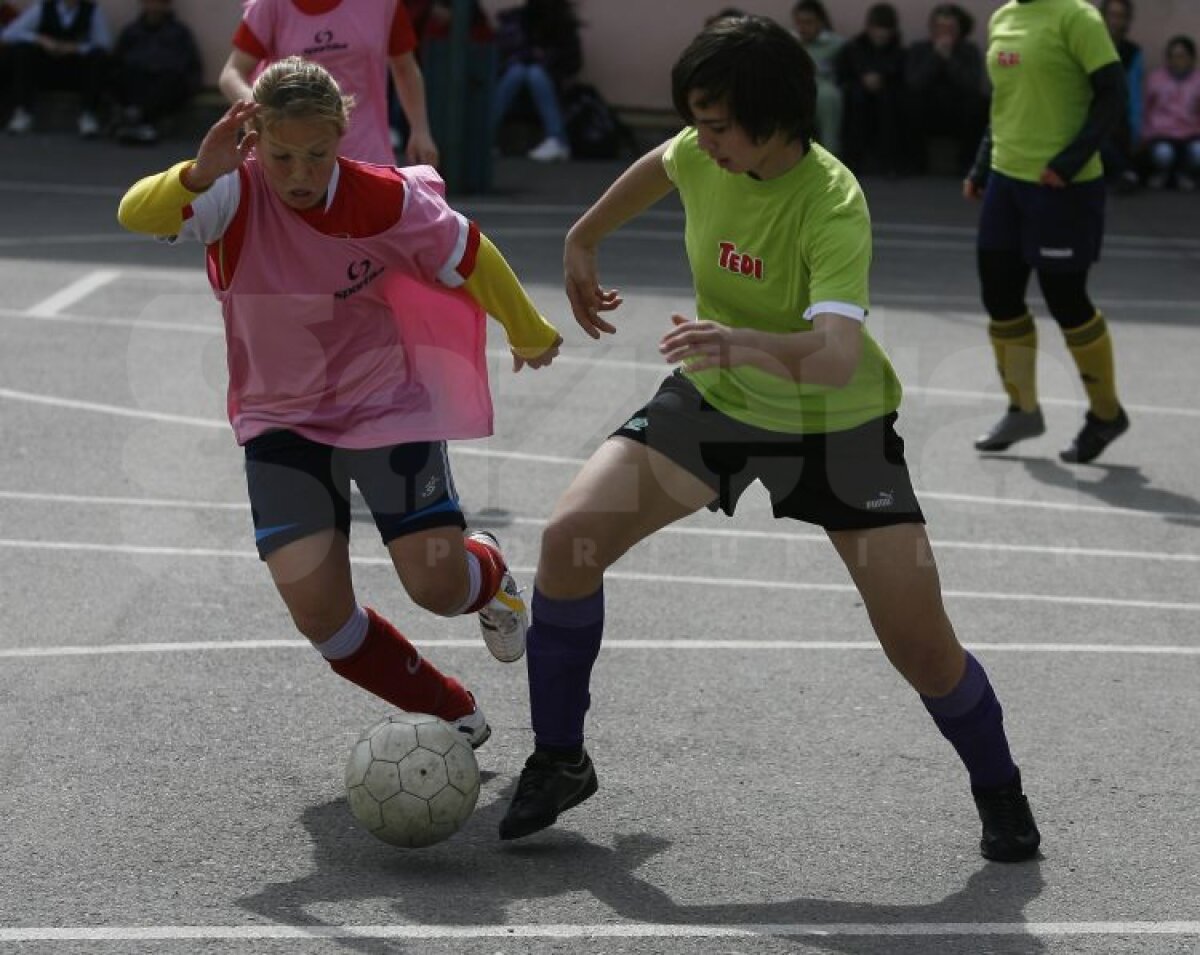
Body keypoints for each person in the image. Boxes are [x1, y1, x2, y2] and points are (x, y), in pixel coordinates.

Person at [497, 15, 1042, 865]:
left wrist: (739, 341)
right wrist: (584, 233)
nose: (699, 140)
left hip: (836, 425)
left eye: (717, 124)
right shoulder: (702, 152)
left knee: (922, 645)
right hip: (714, 399)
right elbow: (661, 165)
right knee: (571, 539)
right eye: (696, 119)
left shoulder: (832, 202)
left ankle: (999, 786)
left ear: (776, 117)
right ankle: (560, 758)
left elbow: (833, 358)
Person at [117, 57, 564, 750]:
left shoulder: (382, 200)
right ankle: (451, 710)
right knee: (321, 615)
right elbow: (134, 214)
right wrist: (199, 172)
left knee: (438, 587)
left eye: (317, 155)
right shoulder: (228, 195)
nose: (298, 172)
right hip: (280, 422)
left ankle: (489, 573)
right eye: (283, 154)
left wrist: (529, 328)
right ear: (254, 138)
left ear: (341, 138)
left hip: (384, 405)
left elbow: (469, 252)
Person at [964, 0, 1130, 464]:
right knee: (999, 295)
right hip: (1006, 182)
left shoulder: (1077, 17)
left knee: (1066, 300)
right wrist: (981, 165)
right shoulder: (1003, 17)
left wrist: (1069, 160)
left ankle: (1105, 414)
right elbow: (1005, 102)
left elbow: (1113, 95)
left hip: (1063, 187)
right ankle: (1022, 409)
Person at [217, 0, 438, 167]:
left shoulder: (383, 4)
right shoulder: (271, 5)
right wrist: (258, 107)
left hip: (366, 156)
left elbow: (405, 69)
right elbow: (231, 73)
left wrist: (420, 130)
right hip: (293, 159)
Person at [2, 0, 113, 137]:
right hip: (45, 69)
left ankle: (88, 115)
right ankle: (23, 112)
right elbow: (9, 33)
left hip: (75, 71)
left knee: (99, 57)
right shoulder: (43, 7)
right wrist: (40, 39)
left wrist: (76, 48)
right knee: (22, 50)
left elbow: (104, 44)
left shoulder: (92, 11)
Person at [491, 0, 582, 162]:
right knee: (517, 72)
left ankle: (557, 140)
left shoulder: (561, 25)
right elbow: (501, 54)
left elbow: (573, 63)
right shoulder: (519, 20)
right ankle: (486, 136)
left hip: (548, 86)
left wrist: (546, 59)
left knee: (535, 73)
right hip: (515, 84)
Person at [904, 3, 987, 175]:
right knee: (907, 101)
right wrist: (935, 57)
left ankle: (967, 164)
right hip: (928, 110)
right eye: (940, 27)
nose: (944, 32)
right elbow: (914, 83)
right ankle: (915, 163)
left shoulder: (969, 51)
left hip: (958, 111)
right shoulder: (919, 49)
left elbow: (971, 85)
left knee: (979, 104)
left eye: (950, 28)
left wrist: (949, 59)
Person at [111, 0, 202, 145]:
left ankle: (139, 121)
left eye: (158, 3)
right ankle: (139, 123)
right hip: (137, 83)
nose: (154, 7)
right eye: (149, 2)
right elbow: (117, 62)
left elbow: (190, 65)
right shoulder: (131, 31)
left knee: (167, 80)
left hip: (165, 83)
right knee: (130, 75)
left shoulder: (179, 33)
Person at [834, 2, 906, 177]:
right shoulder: (854, 47)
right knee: (857, 99)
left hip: (887, 94)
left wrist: (881, 78)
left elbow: (902, 76)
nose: (880, 34)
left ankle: (889, 162)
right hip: (858, 93)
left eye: (885, 29)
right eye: (877, 28)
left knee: (889, 102)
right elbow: (843, 74)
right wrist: (864, 79)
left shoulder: (898, 50)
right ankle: (854, 160)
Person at [1140, 35, 1200, 192]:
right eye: (1173, 56)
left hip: (1191, 134)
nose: (1177, 61)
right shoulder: (1156, 79)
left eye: (1182, 56)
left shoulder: (1198, 81)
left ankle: (1185, 175)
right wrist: (1144, 134)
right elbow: (1146, 108)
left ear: (1191, 58)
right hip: (1162, 134)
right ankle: (1163, 174)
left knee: (1198, 152)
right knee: (1163, 154)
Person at [1098, 0, 1143, 192]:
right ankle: (1125, 172)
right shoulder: (1090, 46)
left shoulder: (1132, 52)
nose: (1115, 21)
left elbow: (1133, 93)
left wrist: (1136, 127)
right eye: (1111, 15)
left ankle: (1123, 172)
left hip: (1117, 114)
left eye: (1120, 16)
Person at [790, 0, 843, 156]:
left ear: (820, 23)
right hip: (794, 85)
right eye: (799, 22)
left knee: (828, 98)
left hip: (822, 85)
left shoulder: (836, 44)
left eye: (808, 23)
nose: (802, 28)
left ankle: (831, 155)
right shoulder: (789, 41)